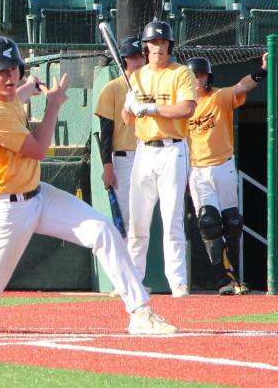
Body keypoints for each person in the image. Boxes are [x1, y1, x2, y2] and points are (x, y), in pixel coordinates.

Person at [0, 37, 175, 335]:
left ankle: (140, 311)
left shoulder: (5, 93)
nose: (11, 76)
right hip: (5, 210)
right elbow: (38, 149)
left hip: (38, 194)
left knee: (102, 230)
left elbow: (16, 95)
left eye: (15, 68)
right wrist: (53, 104)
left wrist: (28, 88)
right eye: (3, 72)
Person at [122, 20, 197, 297]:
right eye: (154, 43)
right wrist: (130, 106)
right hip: (144, 149)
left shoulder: (180, 74)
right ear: (146, 46)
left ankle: (178, 282)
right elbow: (127, 119)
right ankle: (133, 281)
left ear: (169, 46)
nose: (158, 47)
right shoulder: (137, 76)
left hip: (173, 149)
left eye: (163, 43)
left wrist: (150, 108)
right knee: (138, 222)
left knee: (172, 219)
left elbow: (186, 108)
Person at [186, 54, 267, 295]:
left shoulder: (219, 97)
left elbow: (242, 85)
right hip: (197, 170)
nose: (199, 80)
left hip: (223, 165)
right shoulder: (183, 105)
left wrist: (262, 69)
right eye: (194, 76)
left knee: (232, 223)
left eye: (202, 75)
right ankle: (222, 280)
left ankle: (238, 278)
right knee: (208, 223)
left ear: (208, 77)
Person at [95, 37, 147, 238]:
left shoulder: (154, 86)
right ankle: (125, 268)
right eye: (132, 57)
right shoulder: (112, 88)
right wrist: (107, 167)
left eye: (139, 56)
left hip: (151, 154)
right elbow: (105, 132)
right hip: (124, 160)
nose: (136, 61)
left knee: (142, 222)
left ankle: (135, 268)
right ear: (124, 59)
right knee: (125, 222)